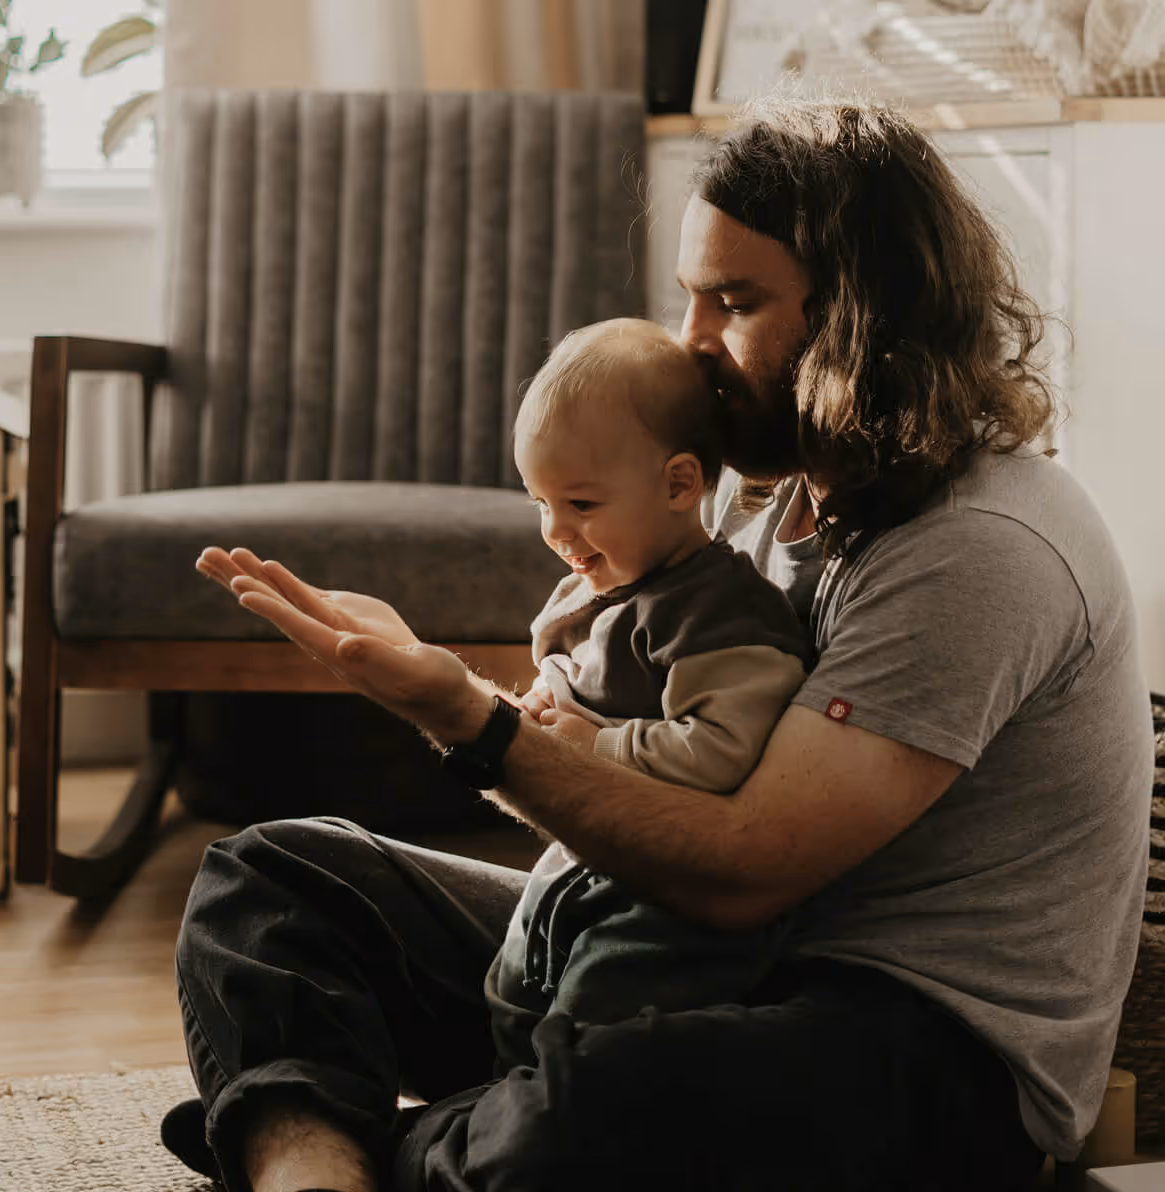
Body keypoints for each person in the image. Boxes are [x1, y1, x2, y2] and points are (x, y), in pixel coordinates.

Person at [163, 95, 1153, 1192]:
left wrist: (468, 721)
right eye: (689, 296)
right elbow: (622, 751)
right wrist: (494, 687)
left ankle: (333, 1137)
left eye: (732, 302)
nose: (691, 344)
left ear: (864, 319)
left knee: (595, 1106)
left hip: (915, 1039)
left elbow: (741, 874)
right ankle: (335, 1164)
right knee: (270, 880)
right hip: (690, 960)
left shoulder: (978, 545)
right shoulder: (763, 500)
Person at [493, 315, 812, 1068]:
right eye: (540, 503)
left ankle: (529, 1129)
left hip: (670, 909)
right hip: (580, 868)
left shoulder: (721, 614)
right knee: (511, 994)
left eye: (581, 504)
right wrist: (547, 698)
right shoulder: (603, 588)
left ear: (679, 483)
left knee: (590, 1038)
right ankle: (493, 1109)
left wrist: (594, 744)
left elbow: (722, 748)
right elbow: (572, 675)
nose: (555, 529)